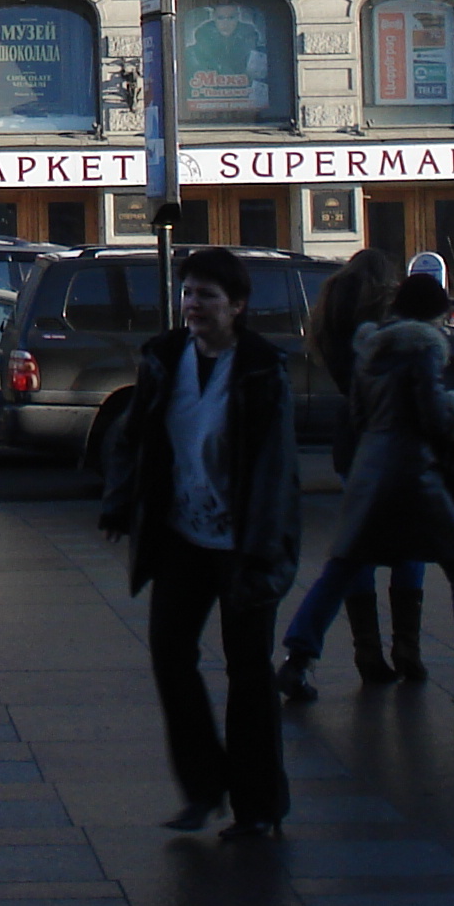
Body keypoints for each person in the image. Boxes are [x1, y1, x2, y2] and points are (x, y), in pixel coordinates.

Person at [101, 248, 300, 839]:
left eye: (207, 296)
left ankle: (259, 805)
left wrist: (264, 548)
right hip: (183, 536)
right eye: (188, 293)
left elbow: (275, 468)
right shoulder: (165, 358)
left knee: (249, 673)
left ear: (236, 306)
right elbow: (136, 436)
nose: (193, 306)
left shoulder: (263, 369)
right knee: (170, 657)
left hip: (244, 543)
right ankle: (203, 786)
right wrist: (120, 501)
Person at [277, 273, 454, 710]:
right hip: (413, 477)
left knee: (340, 570)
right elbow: (434, 417)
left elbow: (357, 414)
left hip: (368, 474)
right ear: (439, 314)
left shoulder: (370, 350)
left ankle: (296, 660)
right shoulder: (424, 348)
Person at [275, 246, 423, 692]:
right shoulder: (385, 327)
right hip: (392, 441)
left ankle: (367, 650)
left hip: (351, 440)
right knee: (408, 545)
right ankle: (406, 647)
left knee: (357, 550)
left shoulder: (331, 322)